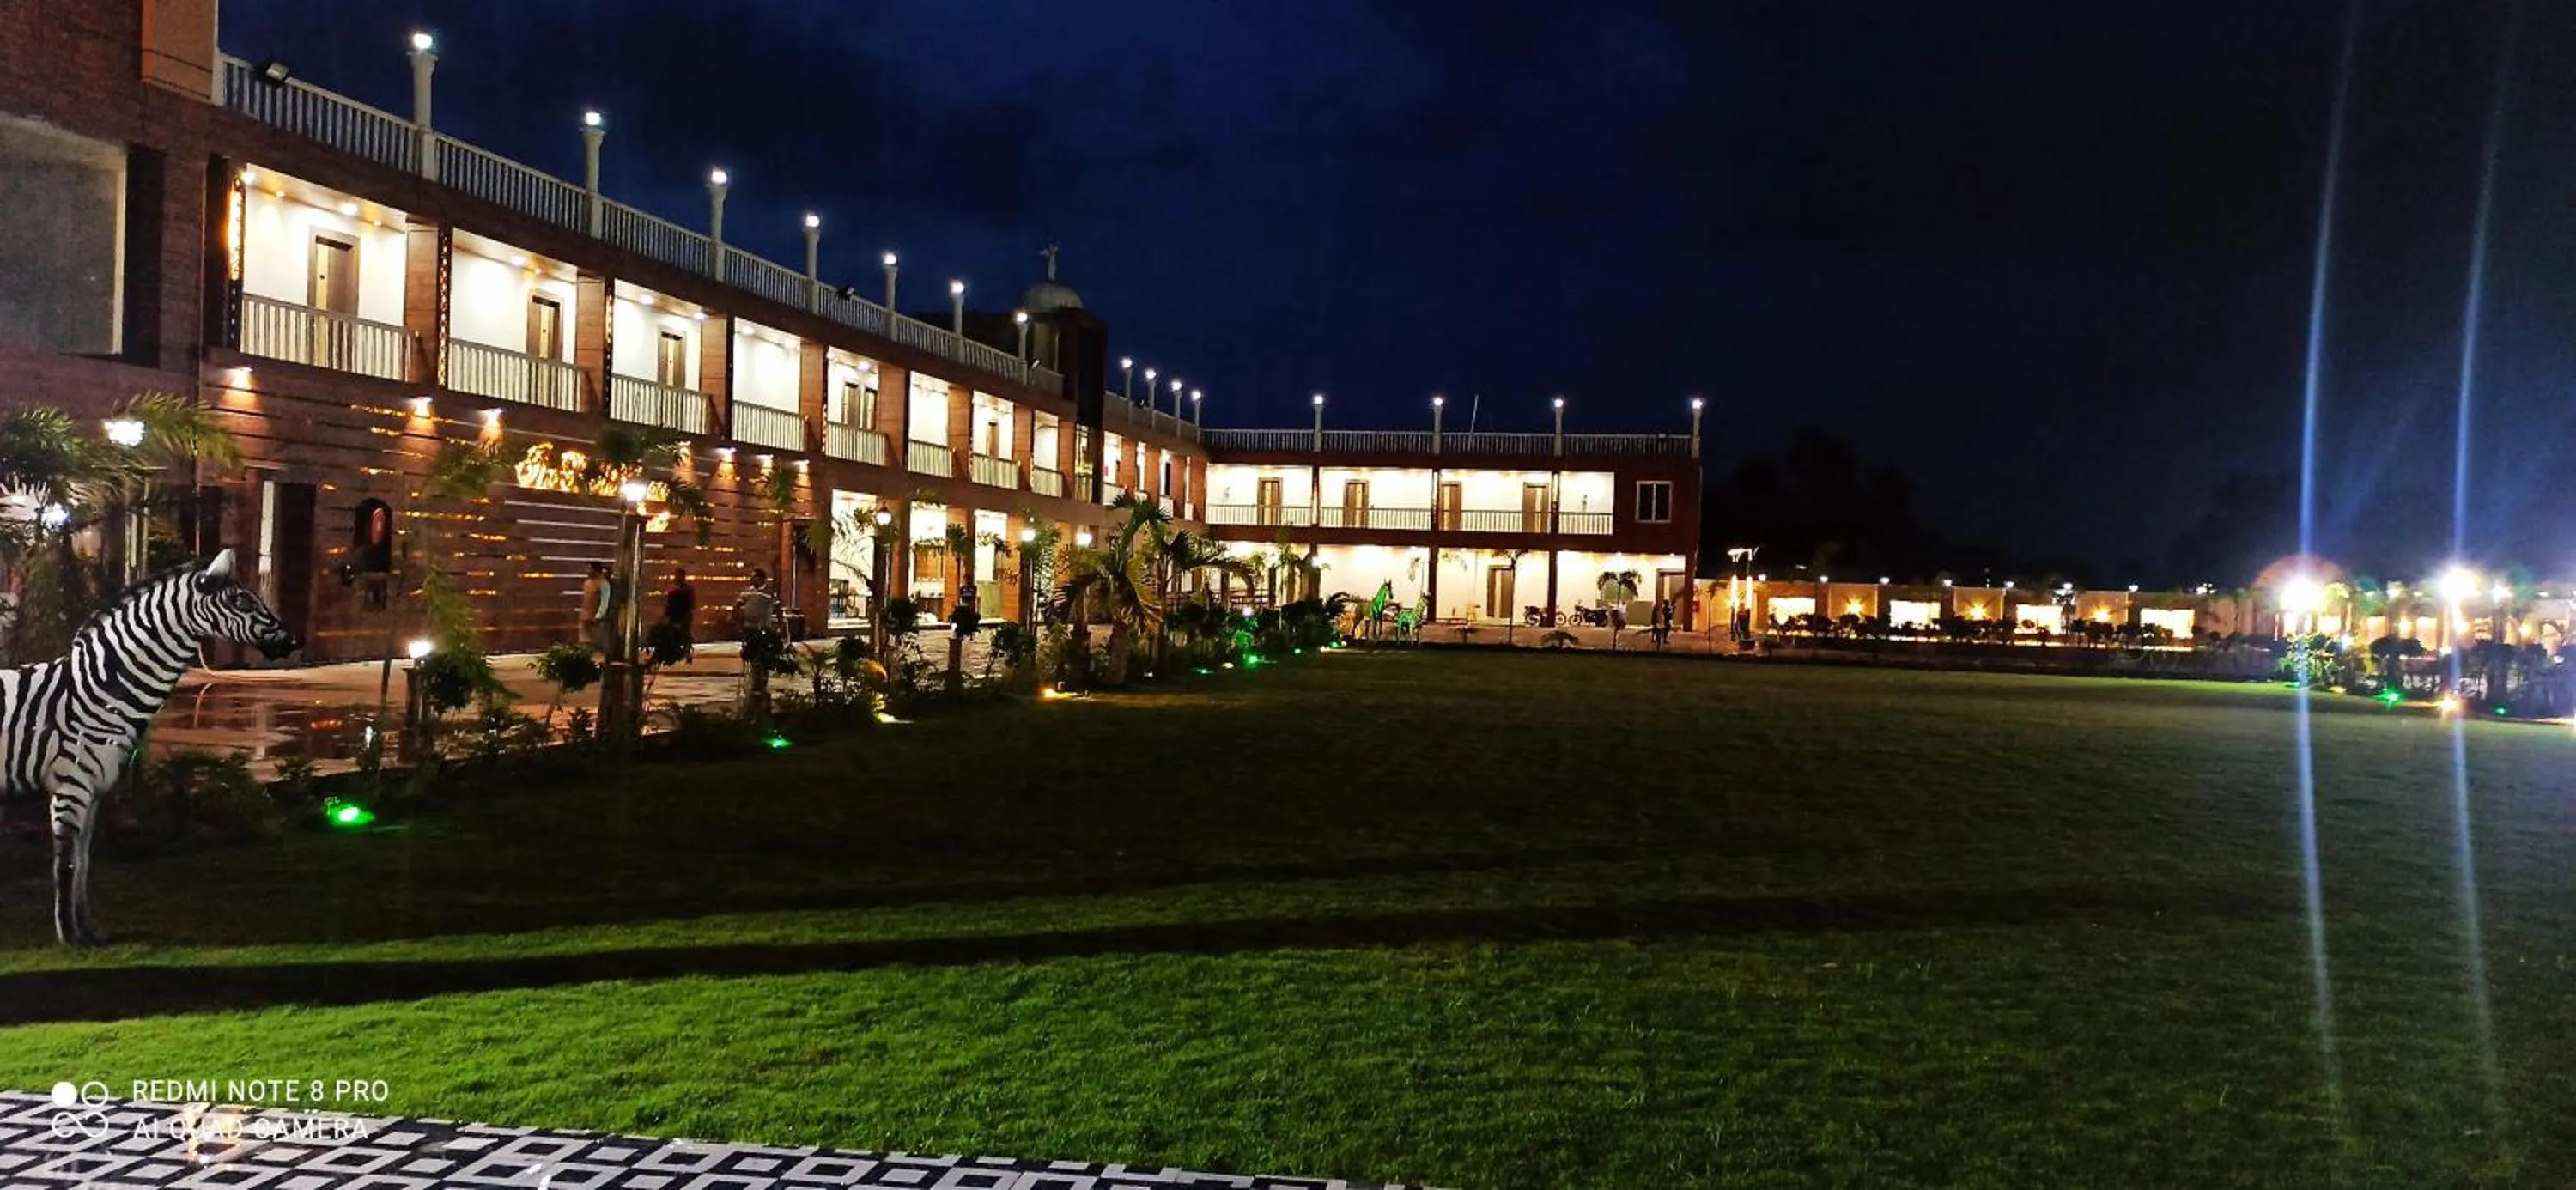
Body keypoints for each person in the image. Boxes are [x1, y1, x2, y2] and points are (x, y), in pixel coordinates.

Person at [580, 561, 614, 654]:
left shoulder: (603, 584)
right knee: (585, 643)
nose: (587, 571)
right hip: (585, 617)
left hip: (596, 620)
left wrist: (599, 616)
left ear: (595, 570)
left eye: (589, 569)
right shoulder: (587, 583)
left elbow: (604, 602)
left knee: (597, 644)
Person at [663, 567, 696, 662]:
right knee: (673, 634)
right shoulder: (673, 589)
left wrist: (688, 614)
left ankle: (687, 653)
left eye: (678, 575)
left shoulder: (687, 589)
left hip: (683, 615)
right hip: (674, 615)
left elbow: (690, 603)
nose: (676, 577)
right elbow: (669, 603)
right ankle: (674, 653)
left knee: (685, 634)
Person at [738, 568, 781, 637]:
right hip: (749, 628)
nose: (752, 579)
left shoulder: (770, 593)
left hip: (764, 628)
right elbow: (738, 605)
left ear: (761, 579)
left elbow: (777, 609)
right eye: (751, 577)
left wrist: (779, 626)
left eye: (754, 577)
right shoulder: (747, 591)